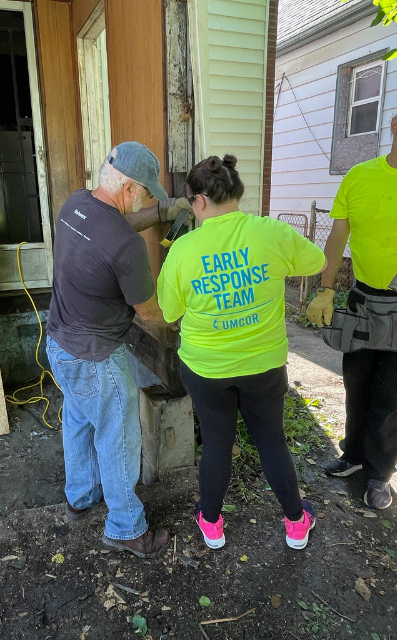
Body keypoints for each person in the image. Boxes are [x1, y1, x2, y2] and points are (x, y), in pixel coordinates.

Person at [157, 154, 326, 550]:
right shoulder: (271, 233)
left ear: (197, 202)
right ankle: (296, 523)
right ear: (236, 192)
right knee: (271, 440)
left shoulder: (184, 249)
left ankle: (212, 524)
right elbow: (315, 260)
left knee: (217, 442)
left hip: (206, 368)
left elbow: (169, 312)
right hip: (263, 365)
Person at [46, 141, 191, 558]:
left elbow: (115, 225)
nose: (145, 200)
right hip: (96, 357)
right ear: (128, 188)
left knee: (77, 419)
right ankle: (127, 527)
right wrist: (187, 312)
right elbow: (149, 311)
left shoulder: (74, 205)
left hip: (60, 343)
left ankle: (80, 496)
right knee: (117, 436)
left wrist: (162, 213)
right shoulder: (126, 249)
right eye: (146, 194)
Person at [307, 113, 397, 510]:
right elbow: (338, 235)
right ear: (394, 126)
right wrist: (326, 290)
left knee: (390, 395)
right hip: (363, 300)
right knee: (356, 384)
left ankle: (380, 475)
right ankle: (353, 456)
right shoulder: (359, 177)